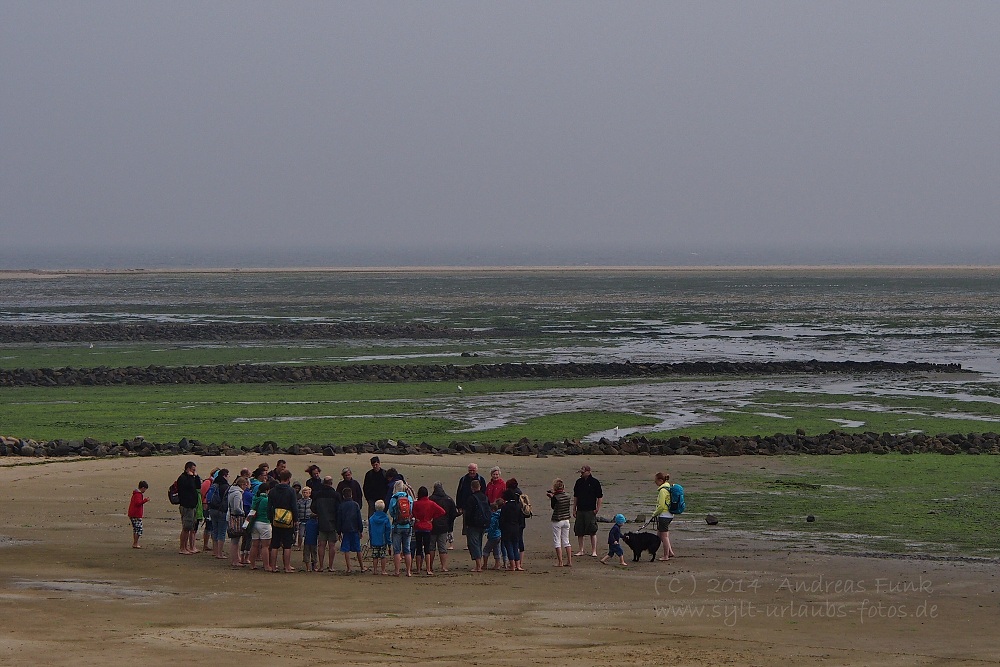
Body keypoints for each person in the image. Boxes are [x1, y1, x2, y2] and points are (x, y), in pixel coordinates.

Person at [268, 469, 298, 573]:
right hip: (288, 520)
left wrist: (270, 518)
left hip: (275, 519)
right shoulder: (291, 491)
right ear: (289, 478)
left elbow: (269, 507)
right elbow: (294, 506)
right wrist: (296, 519)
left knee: (275, 544)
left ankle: (272, 566)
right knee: (287, 544)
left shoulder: (272, 491)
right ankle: (287, 566)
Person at [412, 486, 446, 575]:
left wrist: (416, 518)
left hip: (418, 527)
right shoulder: (431, 503)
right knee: (427, 549)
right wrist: (432, 518)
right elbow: (442, 511)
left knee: (418, 549)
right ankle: (428, 569)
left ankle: (418, 569)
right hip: (427, 527)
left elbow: (412, 513)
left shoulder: (416, 504)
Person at [311, 476, 342, 572]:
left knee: (321, 545)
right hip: (333, 522)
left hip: (322, 522)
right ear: (331, 483)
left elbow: (313, 507)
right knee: (332, 545)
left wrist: (320, 513)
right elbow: (339, 509)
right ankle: (331, 566)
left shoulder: (318, 494)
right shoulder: (336, 495)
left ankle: (321, 566)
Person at [572, 464, 603, 557]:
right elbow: (575, 496)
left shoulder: (595, 482)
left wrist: (598, 508)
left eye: (583, 472)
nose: (581, 474)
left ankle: (594, 551)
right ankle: (581, 550)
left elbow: (600, 496)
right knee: (579, 531)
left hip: (590, 510)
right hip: (580, 509)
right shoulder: (578, 482)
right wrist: (574, 509)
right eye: (581, 472)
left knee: (592, 530)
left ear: (588, 472)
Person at [428, 481, 458, 573]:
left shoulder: (431, 499)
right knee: (442, 547)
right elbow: (454, 514)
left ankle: (430, 566)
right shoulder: (448, 499)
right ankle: (444, 567)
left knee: (431, 547)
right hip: (444, 526)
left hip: (432, 526)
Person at [388, 480, 415, 577]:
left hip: (396, 526)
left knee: (397, 550)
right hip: (407, 525)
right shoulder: (409, 498)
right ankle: (408, 571)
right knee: (407, 549)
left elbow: (391, 512)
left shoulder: (394, 498)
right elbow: (412, 510)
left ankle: (397, 571)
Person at [462, 479, 490, 572]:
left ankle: (478, 566)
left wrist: (467, 524)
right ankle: (479, 563)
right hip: (483, 523)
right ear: (480, 487)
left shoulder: (471, 498)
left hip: (473, 524)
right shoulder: (485, 497)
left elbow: (468, 513)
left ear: (472, 488)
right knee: (479, 543)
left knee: (474, 544)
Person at [337, 488, 366, 573]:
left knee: (346, 549)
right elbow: (359, 519)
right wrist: (360, 530)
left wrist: (339, 532)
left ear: (343, 496)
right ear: (351, 495)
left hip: (345, 530)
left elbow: (339, 519)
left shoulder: (341, 506)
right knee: (358, 549)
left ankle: (349, 568)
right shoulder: (355, 505)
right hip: (355, 529)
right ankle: (362, 567)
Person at [176, 461, 201, 555]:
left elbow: (198, 486)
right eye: (193, 470)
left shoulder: (192, 478)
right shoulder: (183, 478)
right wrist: (191, 476)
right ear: (188, 469)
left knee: (190, 527)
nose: (194, 471)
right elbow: (190, 487)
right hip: (186, 506)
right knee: (186, 527)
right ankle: (182, 547)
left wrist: (196, 476)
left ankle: (187, 547)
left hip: (192, 505)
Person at [456, 463, 486, 537]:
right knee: (467, 525)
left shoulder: (481, 479)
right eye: (470, 470)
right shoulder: (463, 479)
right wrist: (459, 506)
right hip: (466, 506)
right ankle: (468, 542)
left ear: (476, 470)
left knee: (477, 524)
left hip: (478, 507)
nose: (472, 472)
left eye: (473, 470)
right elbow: (459, 493)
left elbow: (484, 494)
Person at [547, 478, 572, 567]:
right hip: (566, 519)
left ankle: (560, 562)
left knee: (557, 541)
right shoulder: (568, 496)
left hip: (557, 519)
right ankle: (569, 560)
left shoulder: (555, 498)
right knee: (566, 541)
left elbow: (553, 507)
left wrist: (552, 497)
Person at [652, 472, 677, 561]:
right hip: (669, 515)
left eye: (656, 481)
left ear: (660, 480)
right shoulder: (668, 488)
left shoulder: (663, 491)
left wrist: (654, 513)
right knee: (660, 534)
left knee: (664, 536)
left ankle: (666, 556)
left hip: (664, 515)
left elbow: (661, 506)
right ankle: (670, 552)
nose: (655, 483)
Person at [248, 481, 272, 571]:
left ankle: (252, 564)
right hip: (264, 522)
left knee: (254, 545)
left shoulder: (255, 498)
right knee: (265, 546)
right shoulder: (266, 500)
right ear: (267, 490)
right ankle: (266, 565)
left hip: (254, 523)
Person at [499, 490, 524, 571]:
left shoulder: (505, 507)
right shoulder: (518, 506)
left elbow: (502, 520)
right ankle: (518, 565)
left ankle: (512, 565)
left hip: (507, 528)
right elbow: (521, 519)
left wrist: (501, 527)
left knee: (509, 546)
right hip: (516, 528)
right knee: (515, 546)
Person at [208, 469, 230, 560]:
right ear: (225, 475)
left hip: (212, 509)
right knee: (221, 532)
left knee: (215, 530)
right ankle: (219, 553)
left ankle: (215, 551)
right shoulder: (225, 486)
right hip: (222, 511)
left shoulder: (214, 485)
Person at [228, 476, 249, 567]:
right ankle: (235, 560)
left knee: (234, 540)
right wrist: (242, 512)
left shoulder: (232, 491)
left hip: (232, 516)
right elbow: (236, 507)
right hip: (236, 517)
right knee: (235, 541)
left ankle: (236, 559)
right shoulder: (238, 493)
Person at [368, 500, 392, 576]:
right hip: (383, 540)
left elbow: (370, 531)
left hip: (375, 540)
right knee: (383, 556)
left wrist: (371, 540)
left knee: (375, 556)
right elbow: (388, 530)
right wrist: (389, 542)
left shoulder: (371, 519)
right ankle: (383, 570)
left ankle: (375, 570)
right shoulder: (386, 518)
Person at [127, 481, 149, 549]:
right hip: (135, 514)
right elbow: (138, 503)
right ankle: (135, 543)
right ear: (142, 488)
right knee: (139, 529)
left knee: (136, 529)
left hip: (133, 513)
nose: (145, 491)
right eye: (145, 489)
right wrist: (145, 500)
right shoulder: (138, 494)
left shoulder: (136, 494)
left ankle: (135, 543)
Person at [484, 500, 504, 570]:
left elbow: (491, 527)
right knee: (496, 550)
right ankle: (497, 564)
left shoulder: (493, 518)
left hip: (493, 536)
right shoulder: (499, 516)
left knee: (486, 550)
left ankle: (485, 564)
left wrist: (485, 530)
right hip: (499, 535)